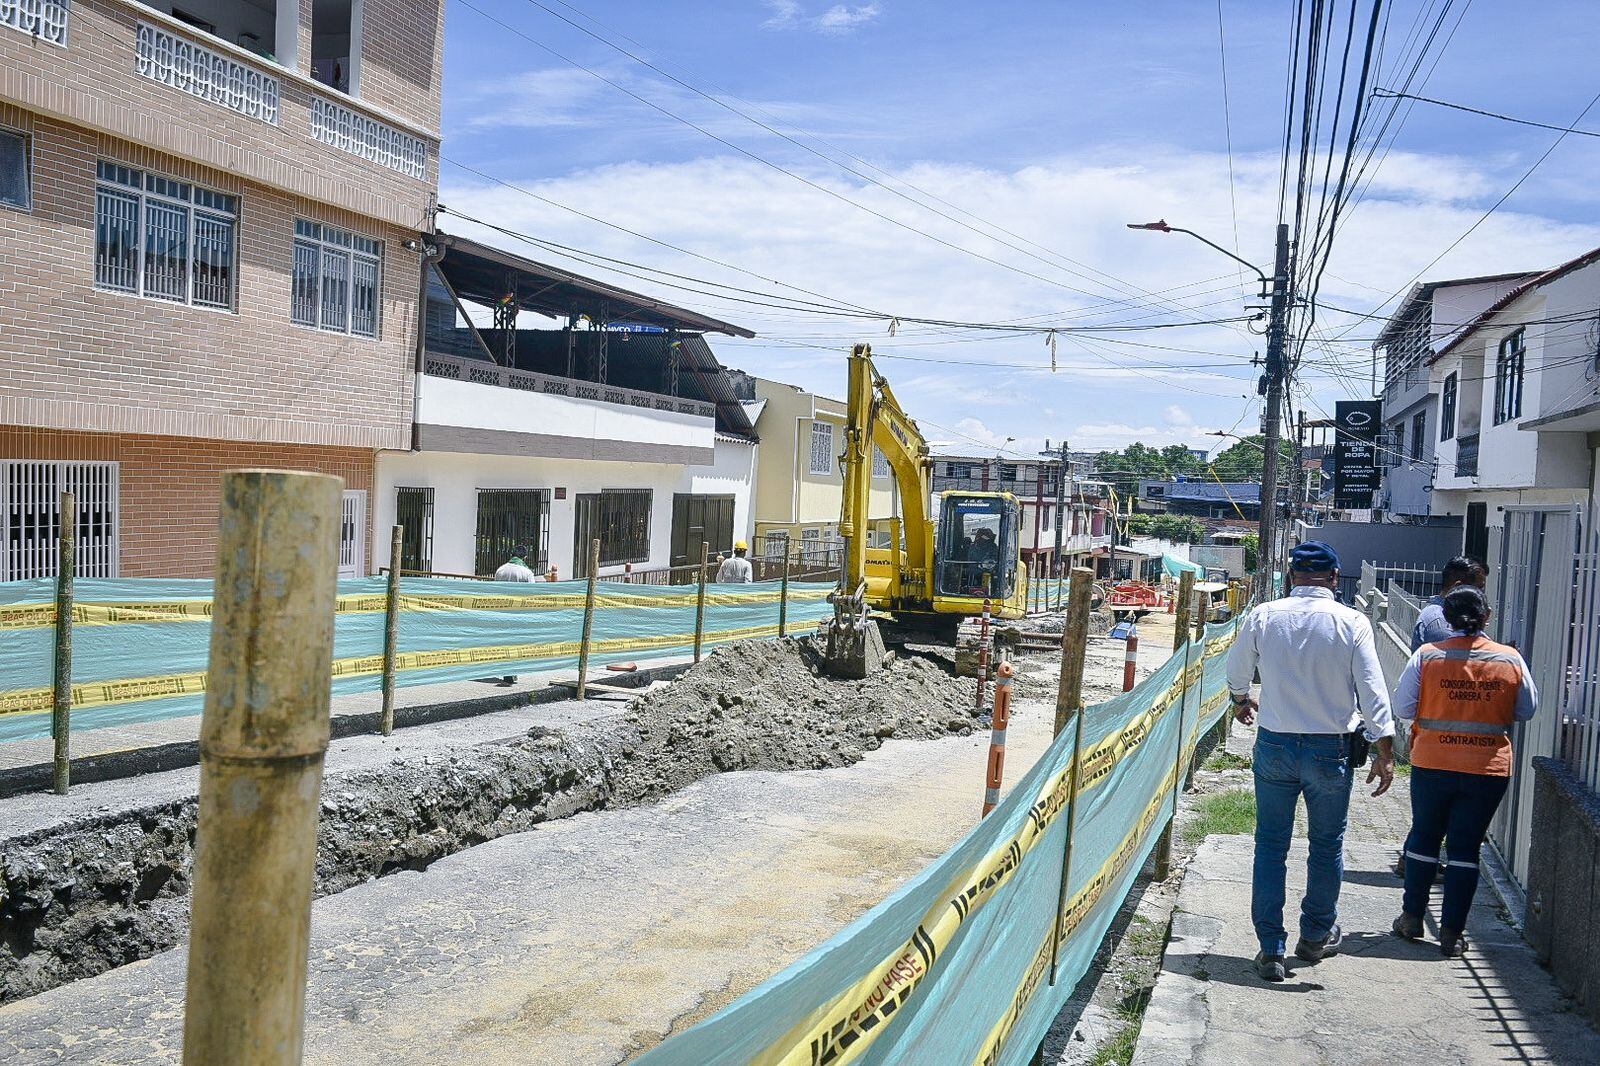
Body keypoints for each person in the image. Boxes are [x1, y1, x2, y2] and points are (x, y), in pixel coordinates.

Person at [1226, 540, 1396, 983]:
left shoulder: (1264, 614)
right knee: (1325, 847)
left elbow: (1236, 669)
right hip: (1330, 751)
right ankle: (1316, 936)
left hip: (1275, 745)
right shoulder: (1352, 622)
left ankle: (1270, 949)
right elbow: (1373, 690)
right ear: (1335, 578)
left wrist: (1241, 698)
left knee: (1271, 846)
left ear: (1291, 574)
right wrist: (1384, 749)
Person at [1391, 586, 1536, 958]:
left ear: (1447, 617)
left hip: (1434, 763)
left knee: (1424, 839)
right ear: (1486, 615)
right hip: (1486, 769)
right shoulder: (1510, 660)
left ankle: (1411, 918)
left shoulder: (1428, 656)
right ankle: (1452, 934)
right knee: (1465, 849)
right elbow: (1526, 710)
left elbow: (1403, 706)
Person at [1412, 556, 1488, 651]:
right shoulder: (1440, 622)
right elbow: (1457, 660)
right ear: (1458, 587)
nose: (1481, 595)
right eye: (1478, 589)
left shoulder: (1447, 615)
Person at [494, 548, 536, 685]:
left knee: (504, 642)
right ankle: (511, 672)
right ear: (524, 558)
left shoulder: (500, 570)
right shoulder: (526, 572)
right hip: (519, 613)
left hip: (502, 612)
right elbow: (532, 594)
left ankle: (507, 671)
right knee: (516, 643)